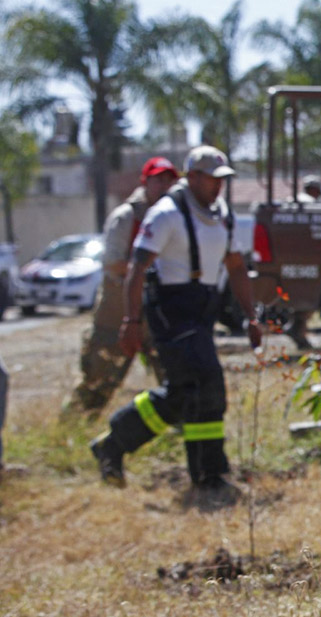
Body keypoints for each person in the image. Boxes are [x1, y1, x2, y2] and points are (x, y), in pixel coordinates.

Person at [89, 145, 262, 503]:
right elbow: (136, 270)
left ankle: (115, 444)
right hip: (171, 310)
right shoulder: (166, 214)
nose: (218, 187)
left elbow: (235, 267)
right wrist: (131, 321)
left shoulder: (222, 215)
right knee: (208, 383)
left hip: (203, 309)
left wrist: (250, 316)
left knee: (186, 394)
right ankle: (210, 474)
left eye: (223, 181)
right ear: (193, 177)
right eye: (212, 180)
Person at [64, 156, 178, 416]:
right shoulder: (126, 216)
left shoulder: (173, 216)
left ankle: (177, 430)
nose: (164, 185)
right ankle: (71, 428)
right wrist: (146, 272)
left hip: (158, 310)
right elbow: (113, 263)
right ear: (145, 181)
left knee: (175, 377)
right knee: (99, 380)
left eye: (169, 180)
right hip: (117, 311)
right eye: (158, 179)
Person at [286, 175, 321, 348]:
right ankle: (298, 330)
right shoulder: (310, 203)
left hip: (289, 255)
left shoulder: (292, 201)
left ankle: (297, 330)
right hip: (305, 256)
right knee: (309, 296)